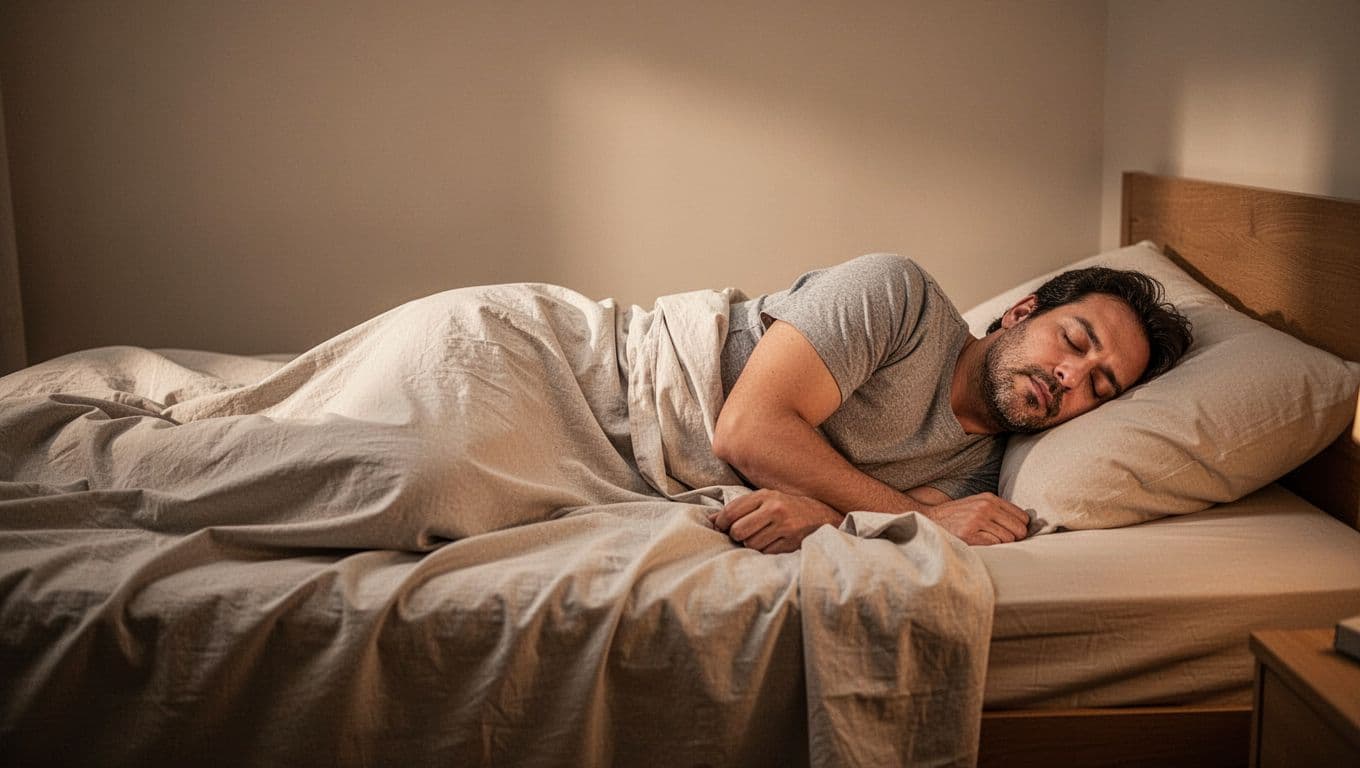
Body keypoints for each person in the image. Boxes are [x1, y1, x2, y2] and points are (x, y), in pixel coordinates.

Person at [708, 254, 1193, 553]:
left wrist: (826, 518)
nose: (1071, 377)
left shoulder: (984, 478)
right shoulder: (900, 296)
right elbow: (748, 431)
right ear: (1021, 312)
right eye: (1072, 340)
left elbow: (877, 517)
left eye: (1099, 388)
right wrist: (930, 519)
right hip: (664, 387)